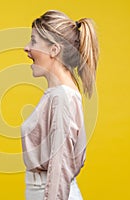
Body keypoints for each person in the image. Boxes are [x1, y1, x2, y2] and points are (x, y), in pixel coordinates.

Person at [21, 10, 99, 200]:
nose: (26, 48)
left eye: (33, 41)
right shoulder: (59, 94)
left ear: (54, 50)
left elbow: (60, 164)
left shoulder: (62, 97)